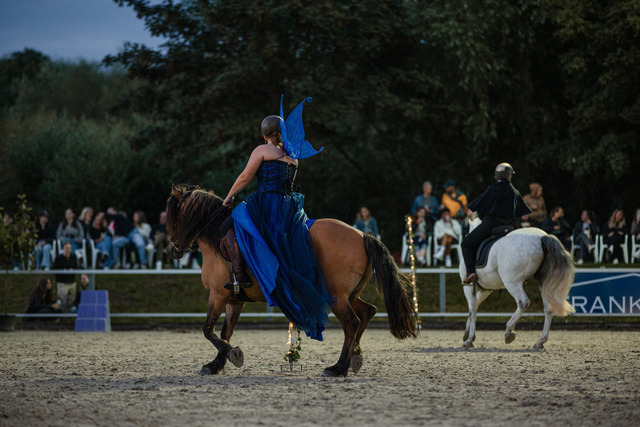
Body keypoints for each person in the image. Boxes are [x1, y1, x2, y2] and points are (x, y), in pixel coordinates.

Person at [222, 96, 332, 340]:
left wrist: (228, 197)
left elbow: (245, 177)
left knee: (228, 224)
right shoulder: (294, 156)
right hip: (289, 208)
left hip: (267, 204)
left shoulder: (263, 150)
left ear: (265, 135)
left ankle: (239, 275)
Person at [461, 163, 531, 285]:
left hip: (490, 225)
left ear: (496, 176)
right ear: (510, 176)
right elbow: (520, 213)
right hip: (511, 226)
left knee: (466, 244)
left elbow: (479, 208)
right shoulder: (514, 192)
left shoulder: (491, 190)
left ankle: (470, 273)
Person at [52, 241, 78, 312]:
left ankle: (68, 315)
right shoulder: (58, 258)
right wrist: (64, 270)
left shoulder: (73, 258)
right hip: (62, 282)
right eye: (67, 248)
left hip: (72, 282)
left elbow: (76, 267)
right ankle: (61, 315)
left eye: (69, 248)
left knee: (71, 301)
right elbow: (54, 269)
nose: (68, 250)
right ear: (63, 248)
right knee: (63, 301)